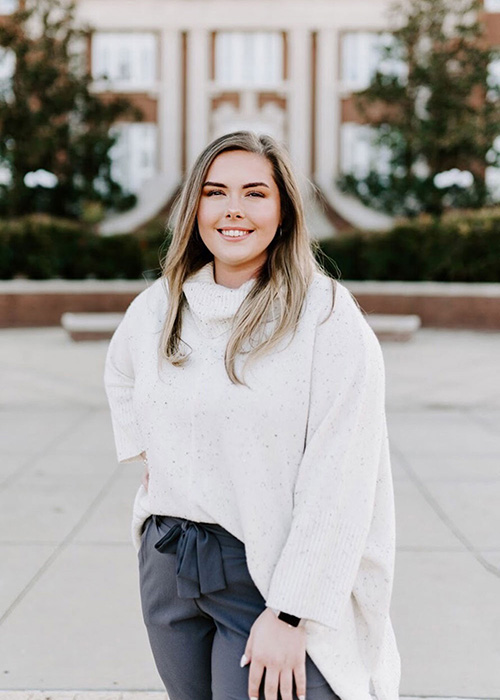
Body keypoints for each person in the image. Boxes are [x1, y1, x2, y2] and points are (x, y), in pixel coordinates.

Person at [104, 131, 401, 700]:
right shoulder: (160, 305)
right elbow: (120, 375)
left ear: (285, 211)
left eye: (255, 193)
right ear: (194, 208)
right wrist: (154, 454)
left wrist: (292, 614)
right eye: (215, 192)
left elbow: (344, 476)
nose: (232, 209)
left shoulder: (325, 316)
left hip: (265, 570)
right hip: (169, 561)